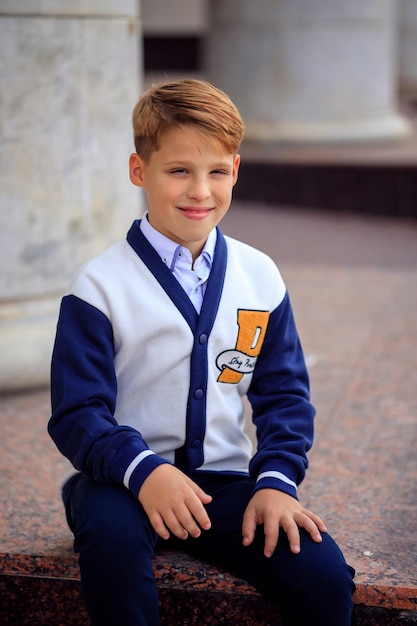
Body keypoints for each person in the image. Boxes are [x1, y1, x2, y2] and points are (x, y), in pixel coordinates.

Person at [48, 78, 355, 626]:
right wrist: (143, 472)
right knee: (112, 551)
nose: (200, 191)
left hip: (225, 484)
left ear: (235, 170)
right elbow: (77, 413)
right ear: (139, 171)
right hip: (122, 480)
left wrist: (277, 481)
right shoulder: (98, 286)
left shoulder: (260, 275)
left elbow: (284, 395)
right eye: (178, 171)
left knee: (324, 575)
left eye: (216, 172)